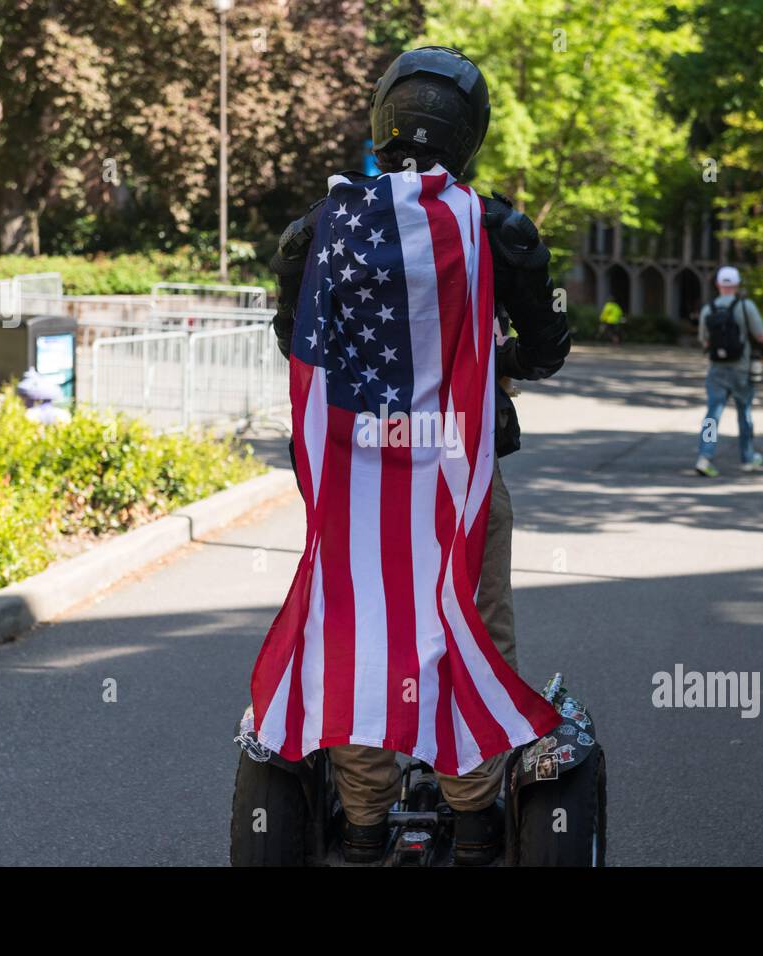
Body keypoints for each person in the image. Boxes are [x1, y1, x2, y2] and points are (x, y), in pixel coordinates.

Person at [259, 46, 570, 866]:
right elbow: (544, 350)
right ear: (469, 135)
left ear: (383, 119)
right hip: (458, 473)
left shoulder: (319, 228)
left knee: (359, 629)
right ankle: (472, 819)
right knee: (471, 620)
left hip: (351, 479)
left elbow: (293, 344)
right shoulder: (493, 228)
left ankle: (362, 821)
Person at [695, 266, 763, 477]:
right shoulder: (746, 306)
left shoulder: (708, 309)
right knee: (744, 414)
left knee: (712, 415)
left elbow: (704, 340)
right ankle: (747, 457)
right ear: (736, 285)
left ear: (718, 285)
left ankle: (704, 457)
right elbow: (761, 335)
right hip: (741, 370)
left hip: (716, 369)